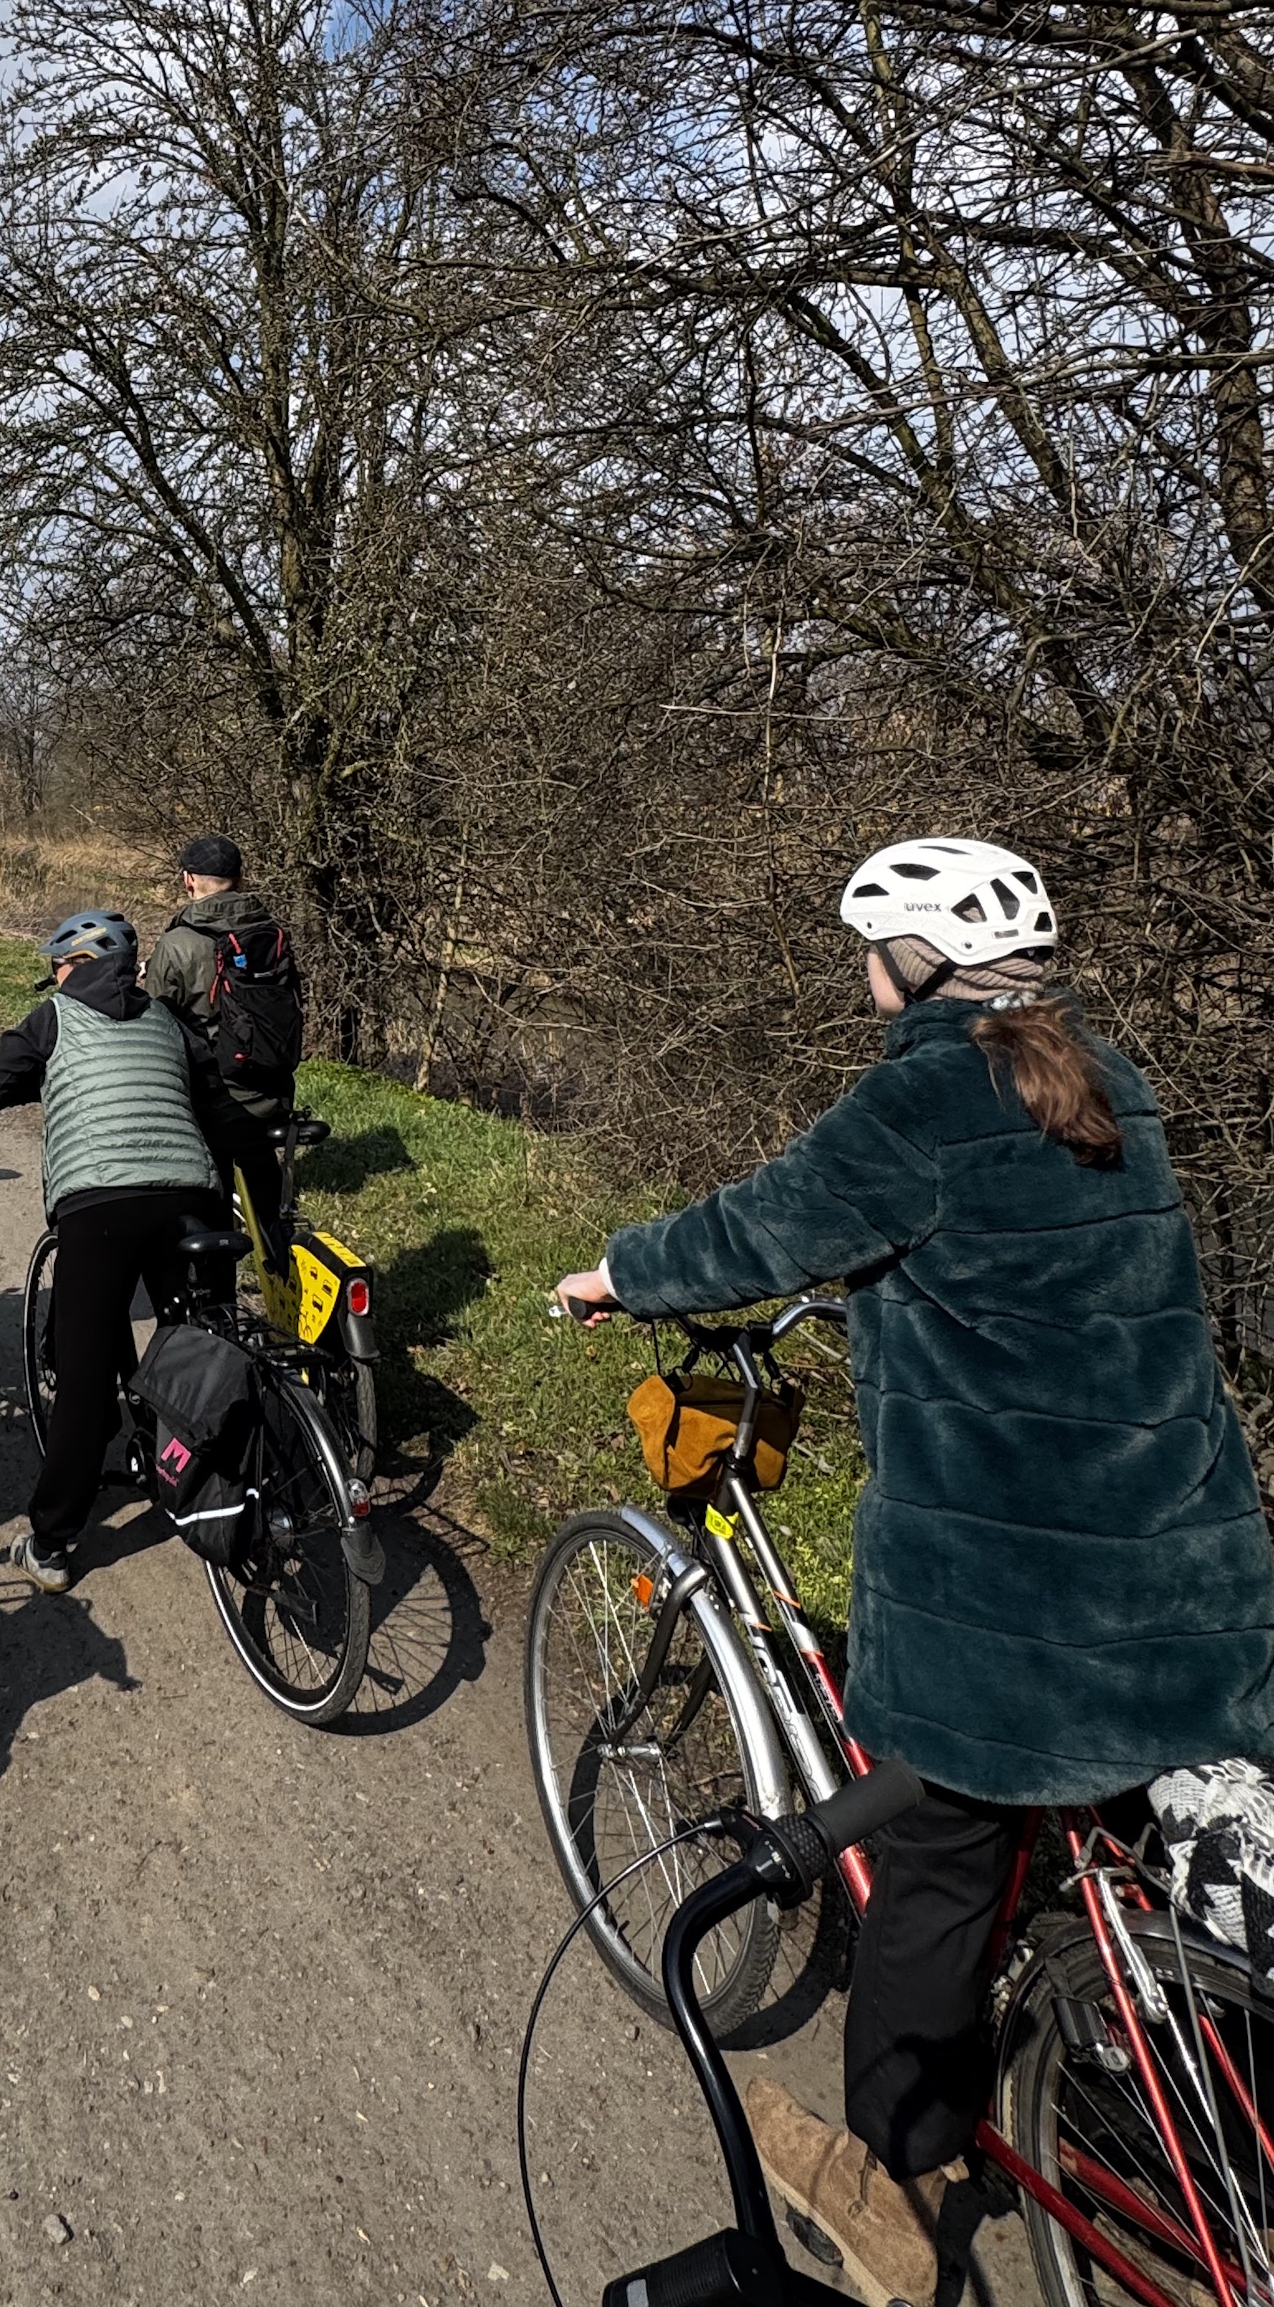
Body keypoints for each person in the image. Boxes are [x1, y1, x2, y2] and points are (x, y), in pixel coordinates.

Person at [555, 835, 1274, 2307]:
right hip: (1194, 1579)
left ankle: (889, 2186)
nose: (863, 978)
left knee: (937, 1878)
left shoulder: (930, 1092)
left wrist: (619, 1273)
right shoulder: (1112, 1083)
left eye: (869, 952)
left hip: (1010, 1616)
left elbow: (758, 1227)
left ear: (918, 965)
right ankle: (1184, 2100)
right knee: (1144, 1819)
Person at [0, 907, 246, 1595]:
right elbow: (214, 1102)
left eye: (57, 967)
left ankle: (52, 1539)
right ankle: (213, 1471)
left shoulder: (54, 1016)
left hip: (99, 1203)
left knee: (86, 1369)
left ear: (76, 964)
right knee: (200, 1342)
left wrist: (37, 1078)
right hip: (189, 1195)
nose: (54, 977)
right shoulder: (168, 1020)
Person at [144, 833, 303, 1221]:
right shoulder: (272, 934)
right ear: (241, 877)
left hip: (211, 1105)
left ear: (188, 880)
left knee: (210, 1204)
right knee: (265, 1197)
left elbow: (157, 1024)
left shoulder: (178, 942)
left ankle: (216, 1274)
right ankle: (278, 1248)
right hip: (273, 1094)